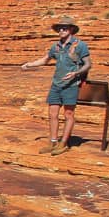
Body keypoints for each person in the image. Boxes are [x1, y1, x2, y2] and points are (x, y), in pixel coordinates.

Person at [21, 15, 91, 155]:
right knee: (52, 114)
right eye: (59, 28)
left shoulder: (80, 45)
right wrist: (30, 64)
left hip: (71, 84)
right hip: (56, 84)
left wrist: (76, 73)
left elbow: (88, 64)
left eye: (64, 28)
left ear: (71, 29)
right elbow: (46, 59)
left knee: (68, 114)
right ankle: (53, 142)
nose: (61, 30)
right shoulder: (56, 46)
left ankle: (63, 143)